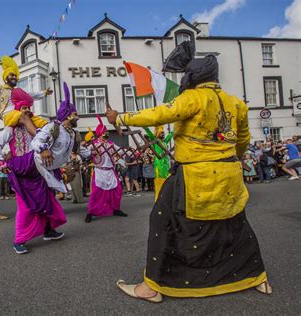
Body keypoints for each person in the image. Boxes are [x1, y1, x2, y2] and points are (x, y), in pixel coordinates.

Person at [107, 43, 270, 302]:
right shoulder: (236, 103)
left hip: (193, 174)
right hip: (229, 174)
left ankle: (151, 288)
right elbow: (242, 140)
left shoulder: (192, 97)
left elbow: (159, 114)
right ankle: (256, 277)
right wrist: (231, 160)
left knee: (162, 221)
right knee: (233, 225)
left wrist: (120, 118)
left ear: (193, 77)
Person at [0, 83, 77, 254]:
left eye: (27, 108)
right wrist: (0, 163)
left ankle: (48, 230)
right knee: (26, 206)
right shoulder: (11, 129)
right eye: (22, 108)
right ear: (17, 110)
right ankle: (19, 240)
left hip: (38, 169)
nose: (25, 111)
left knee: (47, 199)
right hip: (22, 169)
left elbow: (48, 144)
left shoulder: (38, 128)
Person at [81, 115, 127, 223]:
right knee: (96, 192)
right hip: (99, 171)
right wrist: (90, 151)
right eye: (104, 133)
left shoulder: (111, 144)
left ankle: (116, 209)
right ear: (100, 134)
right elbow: (85, 153)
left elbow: (120, 151)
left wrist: (130, 155)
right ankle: (90, 212)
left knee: (117, 190)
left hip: (111, 171)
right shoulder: (94, 145)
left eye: (107, 133)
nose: (107, 135)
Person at [143, 126, 173, 200]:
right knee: (160, 183)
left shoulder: (164, 142)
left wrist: (177, 126)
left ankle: (166, 199)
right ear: (157, 134)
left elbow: (171, 134)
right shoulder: (155, 141)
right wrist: (144, 126)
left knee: (167, 183)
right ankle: (159, 200)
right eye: (161, 133)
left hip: (166, 166)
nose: (163, 134)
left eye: (164, 133)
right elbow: (149, 133)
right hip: (159, 166)